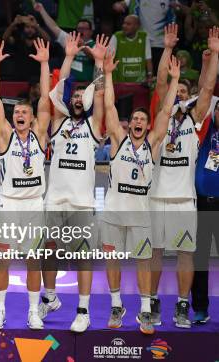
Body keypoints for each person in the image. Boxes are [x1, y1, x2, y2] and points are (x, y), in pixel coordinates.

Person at [100, 49, 180, 335]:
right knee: (113, 259)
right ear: (129, 123)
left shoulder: (153, 145)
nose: (137, 122)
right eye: (134, 119)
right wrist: (108, 74)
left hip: (141, 214)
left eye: (142, 120)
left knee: (143, 261)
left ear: (147, 126)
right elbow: (109, 107)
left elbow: (166, 112)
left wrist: (175, 81)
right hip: (113, 211)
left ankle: (145, 311)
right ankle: (115, 305)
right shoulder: (118, 140)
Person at [149, 25, 219, 329]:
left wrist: (215, 53)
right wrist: (166, 49)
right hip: (156, 196)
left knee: (185, 255)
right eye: (174, 93)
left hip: (185, 199)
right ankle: (149, 303)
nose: (177, 96)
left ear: (187, 99)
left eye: (182, 93)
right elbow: (162, 82)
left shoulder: (196, 120)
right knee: (154, 253)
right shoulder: (160, 117)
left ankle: (180, 306)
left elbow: (207, 88)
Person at [37, 33, 108, 333]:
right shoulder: (59, 121)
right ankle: (50, 297)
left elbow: (102, 95)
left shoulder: (93, 126)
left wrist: (100, 63)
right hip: (55, 199)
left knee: (82, 257)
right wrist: (67, 57)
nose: (79, 98)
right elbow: (54, 90)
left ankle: (83, 311)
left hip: (81, 202)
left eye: (83, 96)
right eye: (75, 96)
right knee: (48, 250)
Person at [0, 38, 51, 330]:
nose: (20, 115)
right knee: (3, 261)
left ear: (33, 119)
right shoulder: (5, 136)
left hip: (35, 204)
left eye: (25, 113)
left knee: (33, 260)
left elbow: (46, 100)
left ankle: (33, 311)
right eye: (17, 114)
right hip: (9, 204)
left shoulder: (40, 137)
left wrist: (44, 64)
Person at [192, 99, 219, 325]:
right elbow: (207, 94)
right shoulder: (206, 130)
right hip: (202, 204)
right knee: (199, 259)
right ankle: (200, 308)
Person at [34, 2, 96, 82]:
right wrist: (41, 10)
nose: (81, 31)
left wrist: (83, 46)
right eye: (79, 28)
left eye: (85, 28)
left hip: (87, 85)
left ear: (91, 32)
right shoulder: (70, 41)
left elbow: (96, 58)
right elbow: (54, 27)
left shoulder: (96, 45)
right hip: (68, 84)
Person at [1, 14, 51, 82]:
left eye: (32, 27)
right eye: (27, 27)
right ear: (23, 28)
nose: (30, 30)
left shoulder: (40, 41)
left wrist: (36, 26)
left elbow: (48, 40)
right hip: (19, 77)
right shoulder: (18, 39)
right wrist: (13, 24)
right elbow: (4, 38)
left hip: (36, 78)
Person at [109, 15, 153, 84]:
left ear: (137, 26)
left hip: (140, 83)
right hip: (120, 83)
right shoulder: (116, 36)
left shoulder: (144, 36)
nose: (124, 26)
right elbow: (109, 59)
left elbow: (148, 58)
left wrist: (150, 76)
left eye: (128, 24)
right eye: (124, 23)